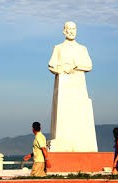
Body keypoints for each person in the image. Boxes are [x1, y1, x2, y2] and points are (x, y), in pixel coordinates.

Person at [48, 21, 98, 152]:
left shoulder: (82, 48)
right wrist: (61, 69)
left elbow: (89, 66)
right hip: (63, 86)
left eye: (74, 29)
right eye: (69, 29)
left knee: (80, 114)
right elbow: (51, 66)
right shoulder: (58, 48)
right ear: (64, 31)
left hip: (79, 85)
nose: (71, 31)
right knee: (63, 117)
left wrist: (75, 67)